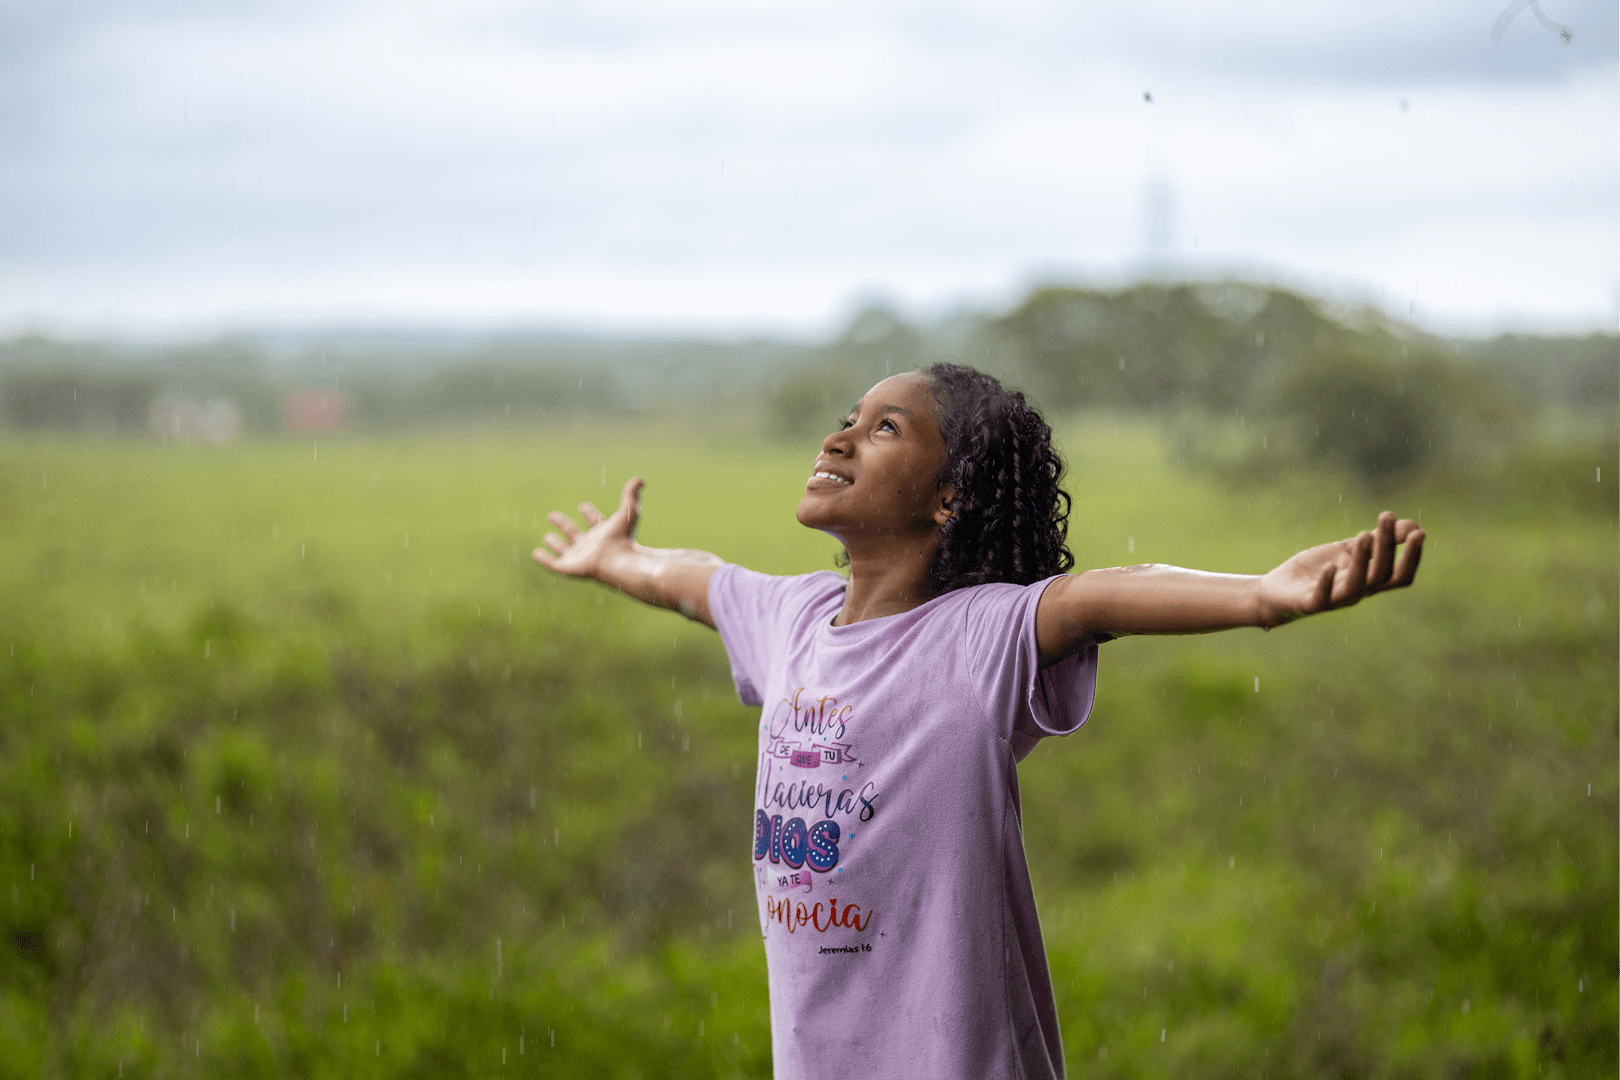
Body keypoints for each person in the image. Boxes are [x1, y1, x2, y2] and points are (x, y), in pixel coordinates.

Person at [533, 363, 1424, 1080]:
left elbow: (1101, 596)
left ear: (948, 499)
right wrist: (617, 556)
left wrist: (1261, 597)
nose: (840, 435)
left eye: (886, 428)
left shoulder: (980, 635)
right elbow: (691, 578)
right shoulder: (791, 622)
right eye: (850, 414)